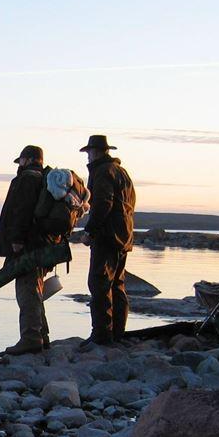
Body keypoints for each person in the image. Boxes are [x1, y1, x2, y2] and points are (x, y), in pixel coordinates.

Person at [0, 144, 68, 355]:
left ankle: (30, 338)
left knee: (27, 292)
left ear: (26, 160)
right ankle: (42, 336)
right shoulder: (44, 180)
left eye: (21, 161)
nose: (19, 165)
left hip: (28, 246)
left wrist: (16, 239)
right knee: (34, 290)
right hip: (44, 246)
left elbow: (21, 210)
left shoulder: (27, 179)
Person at [79, 135, 136, 347]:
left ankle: (101, 335)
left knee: (99, 283)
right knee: (117, 285)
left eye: (89, 152)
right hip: (123, 236)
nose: (88, 156)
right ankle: (117, 333)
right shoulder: (121, 172)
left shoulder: (102, 171)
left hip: (107, 236)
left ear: (95, 152)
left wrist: (90, 232)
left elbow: (103, 204)